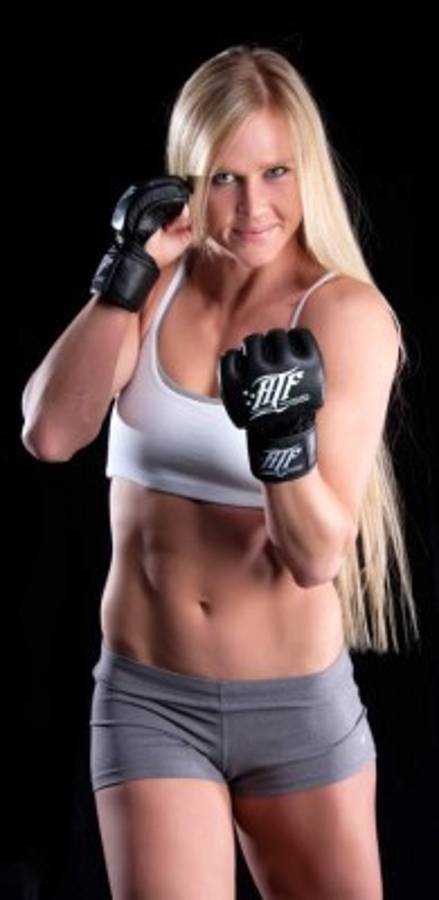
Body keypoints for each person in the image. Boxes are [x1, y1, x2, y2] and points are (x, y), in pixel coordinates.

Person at [21, 44, 420, 900]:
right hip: (147, 700)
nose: (250, 208)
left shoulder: (345, 315)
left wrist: (279, 442)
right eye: (224, 179)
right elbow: (50, 433)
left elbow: (315, 557)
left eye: (274, 171)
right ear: (188, 180)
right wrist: (125, 278)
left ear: (306, 168)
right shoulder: (157, 287)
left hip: (293, 709)